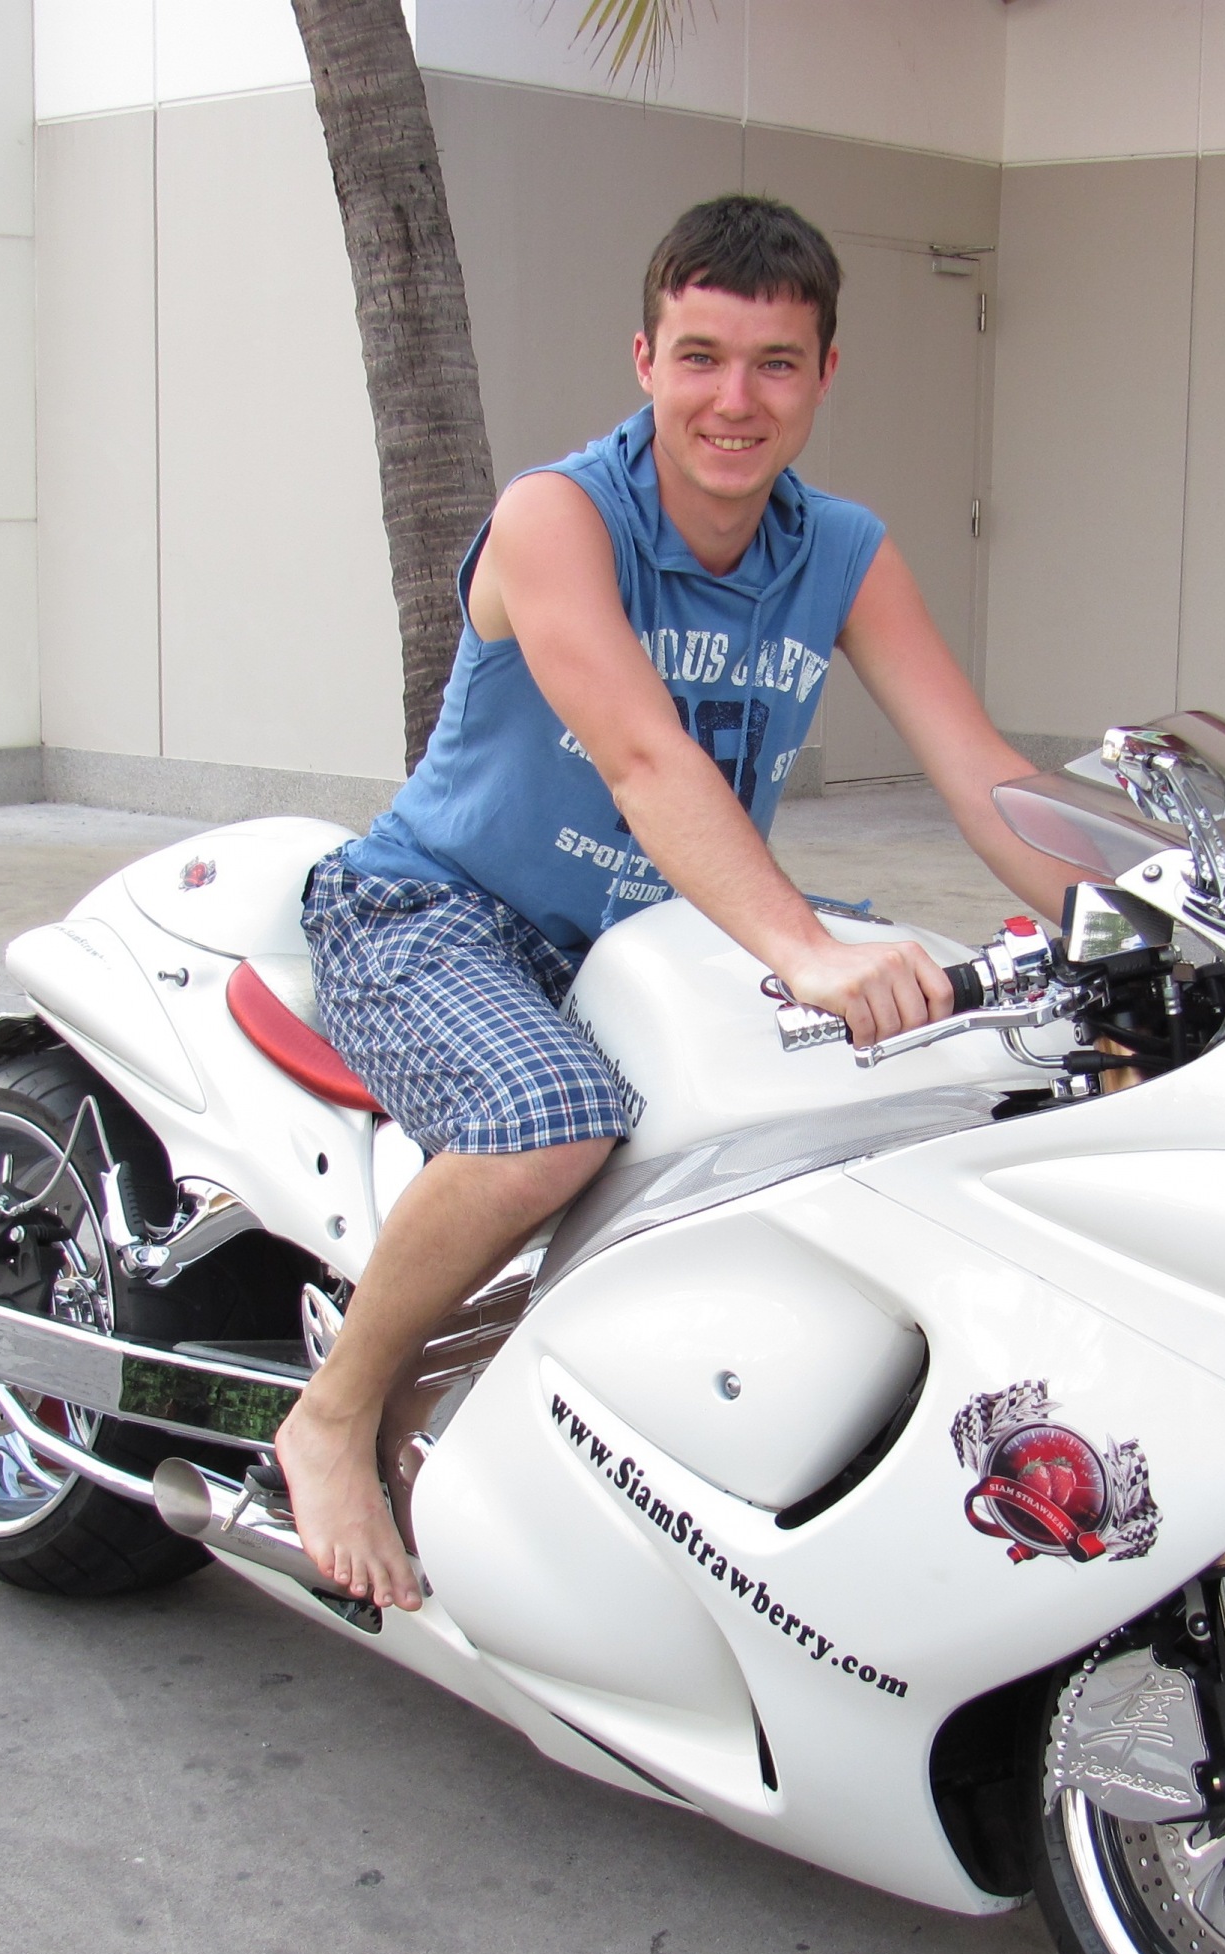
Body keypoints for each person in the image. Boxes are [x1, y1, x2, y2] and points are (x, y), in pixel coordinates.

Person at [277, 195, 1085, 1610]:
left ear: (825, 375)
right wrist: (804, 951)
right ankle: (334, 1414)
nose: (735, 400)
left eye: (776, 364)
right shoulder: (559, 515)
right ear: (644, 358)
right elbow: (644, 759)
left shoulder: (841, 550)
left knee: (948, 1081)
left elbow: (986, 779)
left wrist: (1181, 918)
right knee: (552, 1120)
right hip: (439, 912)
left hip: (652, 939)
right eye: (701, 357)